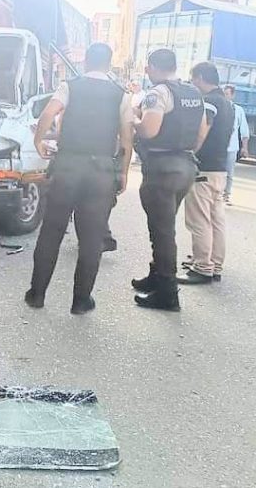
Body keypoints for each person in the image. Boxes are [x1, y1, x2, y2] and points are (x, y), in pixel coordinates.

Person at [25, 43, 134, 315]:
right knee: (91, 237)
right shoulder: (120, 94)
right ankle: (81, 301)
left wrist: (39, 140)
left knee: (51, 231)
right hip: (99, 172)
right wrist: (123, 172)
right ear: (108, 64)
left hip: (67, 167)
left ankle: (37, 295)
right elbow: (126, 137)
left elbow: (48, 113)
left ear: (86, 61)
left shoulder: (70, 86)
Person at [131, 49, 208, 312]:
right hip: (185, 166)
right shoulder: (193, 93)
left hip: (162, 168)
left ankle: (167, 292)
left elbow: (150, 130)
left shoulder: (158, 93)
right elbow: (201, 133)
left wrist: (134, 120)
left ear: (152, 66)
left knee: (162, 232)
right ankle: (156, 276)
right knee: (163, 226)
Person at [179, 62, 235, 285]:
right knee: (216, 219)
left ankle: (202, 267)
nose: (193, 84)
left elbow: (203, 131)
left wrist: (190, 152)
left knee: (199, 219)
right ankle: (215, 264)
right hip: (219, 169)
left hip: (204, 168)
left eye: (193, 79)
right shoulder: (228, 103)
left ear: (201, 78)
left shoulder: (210, 102)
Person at [223, 84, 250, 205]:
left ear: (232, 95)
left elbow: (244, 130)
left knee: (229, 172)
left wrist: (245, 148)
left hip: (232, 147)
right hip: (218, 146)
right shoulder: (219, 107)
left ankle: (226, 195)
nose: (225, 97)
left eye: (227, 94)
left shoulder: (238, 110)